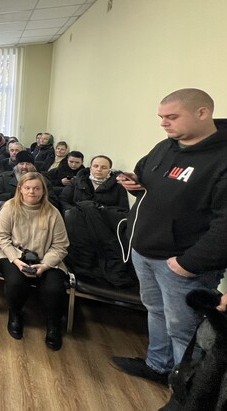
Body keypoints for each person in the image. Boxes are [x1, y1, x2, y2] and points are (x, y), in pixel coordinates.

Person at [111, 88, 227, 385]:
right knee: (156, 312)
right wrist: (134, 182)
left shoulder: (221, 158)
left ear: (203, 113)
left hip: (182, 262)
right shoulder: (166, 146)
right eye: (161, 117)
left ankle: (186, 391)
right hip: (146, 250)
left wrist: (190, 262)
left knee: (185, 330)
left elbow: (224, 223)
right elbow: (145, 174)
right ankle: (158, 366)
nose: (164, 123)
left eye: (171, 117)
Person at [0, 172, 69, 350]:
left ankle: (53, 325)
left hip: (45, 258)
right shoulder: (9, 207)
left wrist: (45, 265)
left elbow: (60, 245)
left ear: (43, 191)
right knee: (16, 282)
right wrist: (17, 260)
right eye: (27, 188)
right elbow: (1, 237)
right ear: (20, 189)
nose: (31, 192)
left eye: (36, 188)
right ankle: (15, 314)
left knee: (54, 288)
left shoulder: (53, 213)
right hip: (12, 254)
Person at [60, 155, 128, 211]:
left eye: (104, 167)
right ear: (90, 168)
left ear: (109, 170)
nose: (99, 170)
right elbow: (63, 200)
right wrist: (74, 211)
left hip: (103, 222)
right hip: (76, 219)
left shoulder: (118, 186)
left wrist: (101, 211)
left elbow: (123, 210)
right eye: (95, 166)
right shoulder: (76, 181)